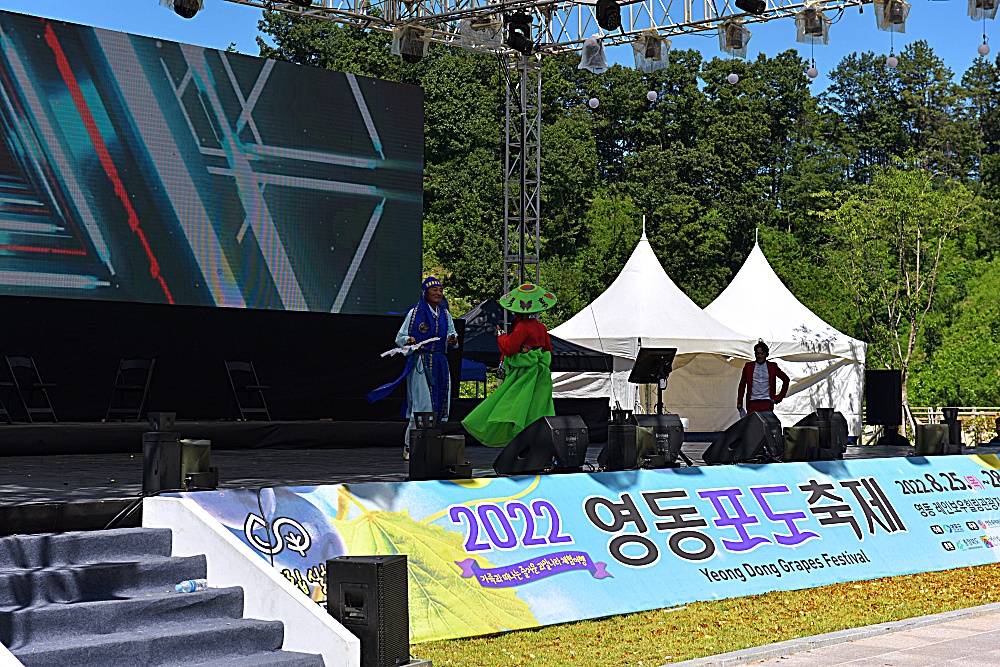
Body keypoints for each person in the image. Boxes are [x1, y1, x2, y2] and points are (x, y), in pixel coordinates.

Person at [366, 276, 458, 459]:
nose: (438, 293)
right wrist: (408, 340)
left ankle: (430, 446)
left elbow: (452, 334)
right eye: (434, 290)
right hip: (422, 363)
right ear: (426, 293)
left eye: (440, 290)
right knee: (422, 405)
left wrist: (452, 340)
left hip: (440, 363)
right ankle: (411, 445)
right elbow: (400, 337)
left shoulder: (445, 314)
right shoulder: (415, 313)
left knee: (438, 405)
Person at [462, 283, 557, 448]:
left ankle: (520, 442)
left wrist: (500, 335)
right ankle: (536, 443)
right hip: (541, 375)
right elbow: (547, 350)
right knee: (535, 409)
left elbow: (509, 347)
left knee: (511, 406)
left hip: (524, 374)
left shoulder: (522, 326)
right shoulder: (541, 327)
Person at [737, 339, 790, 418]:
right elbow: (742, 385)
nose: (760, 356)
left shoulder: (772, 366)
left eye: (762, 353)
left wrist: (779, 397)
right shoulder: (748, 366)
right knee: (751, 424)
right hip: (752, 402)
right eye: (757, 353)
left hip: (767, 402)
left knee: (766, 424)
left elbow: (786, 379)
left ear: (766, 354)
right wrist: (739, 402)